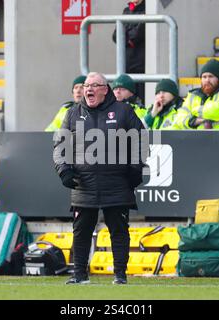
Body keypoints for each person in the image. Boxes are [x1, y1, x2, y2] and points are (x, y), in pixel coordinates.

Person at [53, 72, 145, 285]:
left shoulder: (123, 110)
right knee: (81, 231)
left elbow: (141, 139)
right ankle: (79, 275)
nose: (89, 89)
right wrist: (64, 170)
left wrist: (135, 168)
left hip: (117, 184)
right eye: (86, 85)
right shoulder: (72, 113)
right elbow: (59, 145)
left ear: (106, 89)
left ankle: (120, 275)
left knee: (119, 231)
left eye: (94, 85)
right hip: (83, 185)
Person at [176, 59, 219, 130]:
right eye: (204, 77)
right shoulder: (192, 95)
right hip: (194, 139)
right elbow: (179, 118)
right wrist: (193, 121)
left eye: (211, 76)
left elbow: (216, 111)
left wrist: (195, 110)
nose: (207, 80)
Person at [112, 0, 146, 101]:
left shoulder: (147, 10)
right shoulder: (126, 11)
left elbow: (136, 35)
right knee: (124, 99)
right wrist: (126, 38)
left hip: (140, 65)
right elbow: (115, 36)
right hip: (126, 64)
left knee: (140, 99)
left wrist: (125, 37)